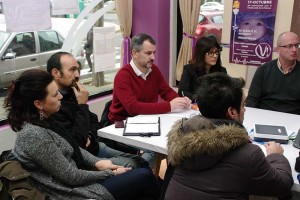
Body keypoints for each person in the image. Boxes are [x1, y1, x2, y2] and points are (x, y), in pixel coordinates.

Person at [4, 69, 161, 200]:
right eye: (54, 95)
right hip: (70, 193)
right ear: (38, 104)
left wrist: (98, 163)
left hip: (78, 180)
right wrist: (109, 173)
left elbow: (74, 148)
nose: (60, 96)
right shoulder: (34, 135)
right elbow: (71, 177)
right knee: (144, 176)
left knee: (141, 171)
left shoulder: (45, 120)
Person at [164, 73, 293, 200]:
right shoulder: (249, 154)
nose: (245, 110)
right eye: (243, 105)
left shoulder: (180, 137)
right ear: (231, 112)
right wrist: (276, 156)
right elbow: (283, 184)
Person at [47, 51, 148, 168]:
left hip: (96, 146)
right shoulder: (52, 104)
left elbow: (95, 122)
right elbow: (77, 143)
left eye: (77, 70)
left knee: (141, 161)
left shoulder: (72, 92)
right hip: (83, 157)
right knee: (133, 164)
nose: (77, 75)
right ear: (56, 73)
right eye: (72, 70)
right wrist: (82, 105)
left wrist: (89, 135)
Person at [108, 33, 191, 123]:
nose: (153, 57)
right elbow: (132, 107)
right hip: (121, 124)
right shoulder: (123, 76)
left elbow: (166, 91)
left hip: (146, 119)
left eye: (153, 53)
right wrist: (170, 106)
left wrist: (180, 101)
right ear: (135, 53)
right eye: (148, 53)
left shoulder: (154, 69)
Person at [246, 31, 300, 115]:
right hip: (266, 115)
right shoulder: (263, 70)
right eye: (289, 46)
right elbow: (252, 99)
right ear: (278, 49)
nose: (294, 50)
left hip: (294, 118)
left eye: (297, 45)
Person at [178, 36, 227, 101]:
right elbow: (182, 92)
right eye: (211, 53)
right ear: (202, 53)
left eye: (216, 52)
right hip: (194, 106)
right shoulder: (189, 69)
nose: (215, 56)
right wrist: (200, 100)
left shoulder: (221, 71)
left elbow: (225, 92)